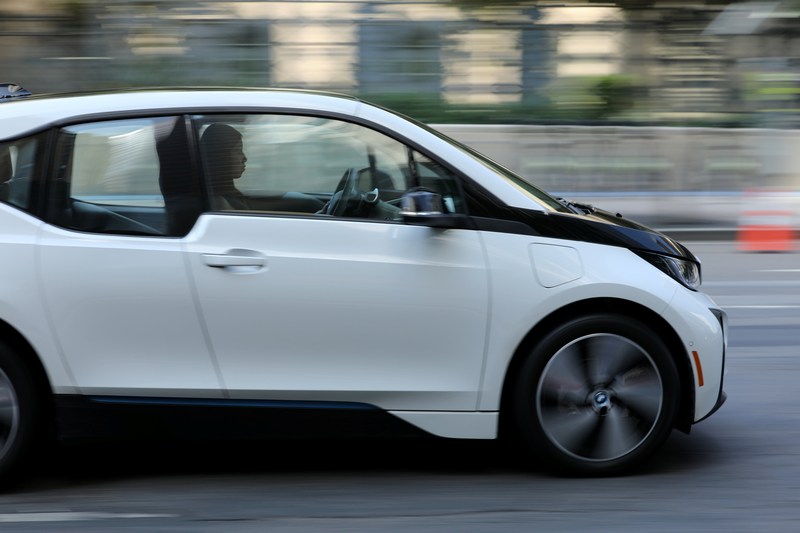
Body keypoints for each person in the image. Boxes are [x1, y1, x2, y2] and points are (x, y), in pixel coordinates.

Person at [199, 123, 249, 210]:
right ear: (222, 156)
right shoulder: (218, 203)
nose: (244, 158)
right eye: (238, 150)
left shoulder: (230, 194)